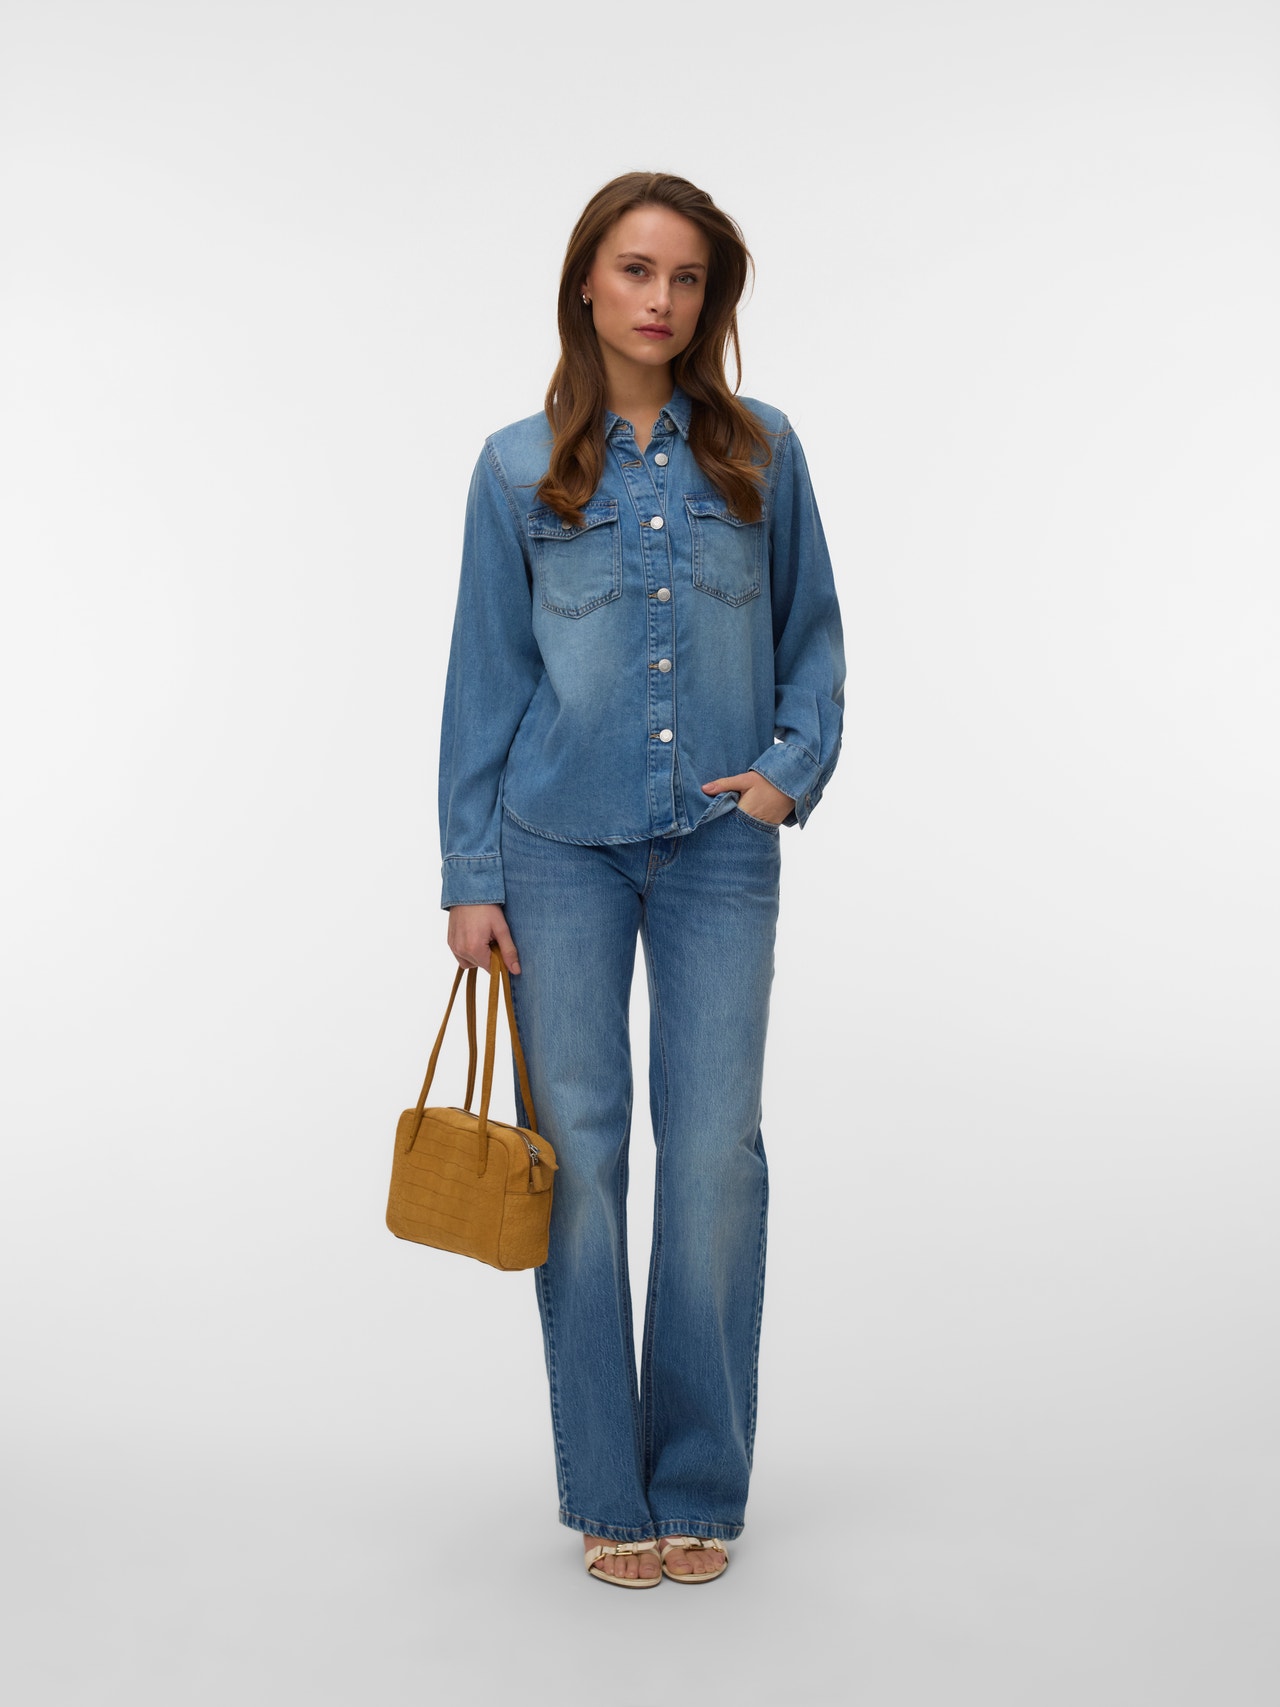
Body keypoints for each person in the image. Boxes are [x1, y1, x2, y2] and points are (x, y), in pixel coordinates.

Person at [438, 171, 845, 1587]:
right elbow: (484, 677)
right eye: (635, 269)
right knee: (583, 1157)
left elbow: (813, 633)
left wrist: (792, 763)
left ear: (708, 299)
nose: (660, 299)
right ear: (587, 284)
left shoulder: (764, 452)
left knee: (716, 1156)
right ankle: (609, 1489)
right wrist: (471, 871)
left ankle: (699, 1483)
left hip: (722, 849)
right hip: (556, 854)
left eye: (685, 278)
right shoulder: (515, 470)